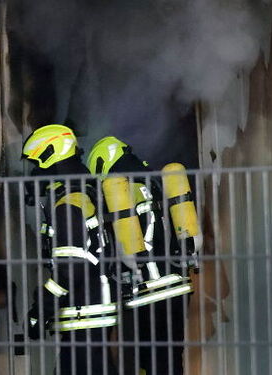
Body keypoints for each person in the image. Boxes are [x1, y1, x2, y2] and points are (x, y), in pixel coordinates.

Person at [86, 136, 202, 375]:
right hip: (178, 285)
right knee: (171, 355)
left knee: (148, 358)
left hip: (146, 291)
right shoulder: (159, 183)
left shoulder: (120, 193)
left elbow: (117, 246)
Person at [23, 124, 117, 375]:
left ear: (50, 158)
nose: (34, 173)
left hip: (83, 312)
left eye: (37, 165)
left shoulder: (68, 204)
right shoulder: (84, 192)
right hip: (92, 310)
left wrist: (39, 309)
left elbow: (69, 272)